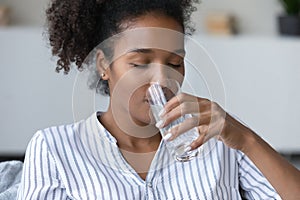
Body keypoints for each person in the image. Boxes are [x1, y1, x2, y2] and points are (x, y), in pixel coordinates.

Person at [17, 0, 300, 199]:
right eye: (140, 62)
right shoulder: (55, 149)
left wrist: (246, 139)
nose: (162, 79)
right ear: (104, 65)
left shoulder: (221, 140)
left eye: (175, 63)